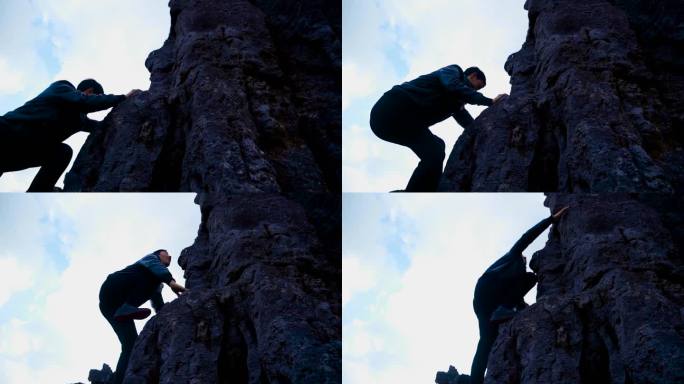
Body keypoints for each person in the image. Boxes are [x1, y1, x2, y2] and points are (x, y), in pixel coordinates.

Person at [469, 207, 569, 384]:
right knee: (530, 278)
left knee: (485, 342)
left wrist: (530, 311)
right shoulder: (513, 256)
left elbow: (518, 302)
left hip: (486, 306)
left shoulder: (512, 289)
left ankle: (474, 380)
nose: (524, 262)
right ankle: (501, 312)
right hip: (488, 289)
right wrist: (551, 219)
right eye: (524, 260)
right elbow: (527, 237)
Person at [370, 65, 507, 192]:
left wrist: (483, 132)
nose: (474, 91)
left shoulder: (455, 101)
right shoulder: (454, 71)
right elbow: (452, 86)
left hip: (395, 124)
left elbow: (465, 119)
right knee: (435, 148)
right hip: (391, 107)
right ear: (473, 76)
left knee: (435, 150)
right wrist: (489, 101)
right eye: (477, 87)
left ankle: (417, 191)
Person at [0, 79, 140, 191]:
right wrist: (123, 98)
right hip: (7, 131)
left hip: (16, 151)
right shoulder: (62, 87)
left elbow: (100, 127)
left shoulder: (78, 119)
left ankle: (39, 190)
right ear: (89, 91)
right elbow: (84, 101)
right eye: (97, 96)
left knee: (62, 153)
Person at [99, 249, 186, 384]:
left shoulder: (155, 283)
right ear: (158, 255)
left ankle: (118, 381)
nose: (169, 256)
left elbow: (157, 303)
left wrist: (167, 314)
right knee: (152, 278)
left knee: (130, 345)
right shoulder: (150, 260)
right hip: (113, 287)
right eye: (165, 253)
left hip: (111, 308)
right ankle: (127, 307)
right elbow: (157, 269)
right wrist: (171, 282)